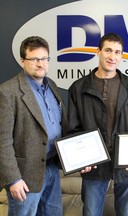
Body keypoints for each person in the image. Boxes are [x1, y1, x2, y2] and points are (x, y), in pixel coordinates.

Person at [67, 33, 128, 216]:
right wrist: (80, 160)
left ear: (122, 56)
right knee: (91, 213)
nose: (113, 57)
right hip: (93, 166)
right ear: (98, 52)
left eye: (118, 52)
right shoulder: (78, 88)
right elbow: (72, 128)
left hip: (126, 166)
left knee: (126, 213)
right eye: (108, 50)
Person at [0, 36, 68, 215]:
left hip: (52, 167)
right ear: (23, 61)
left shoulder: (51, 85)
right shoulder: (8, 92)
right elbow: (2, 140)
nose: (41, 64)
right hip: (25, 174)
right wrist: (13, 179)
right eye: (35, 59)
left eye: (45, 59)